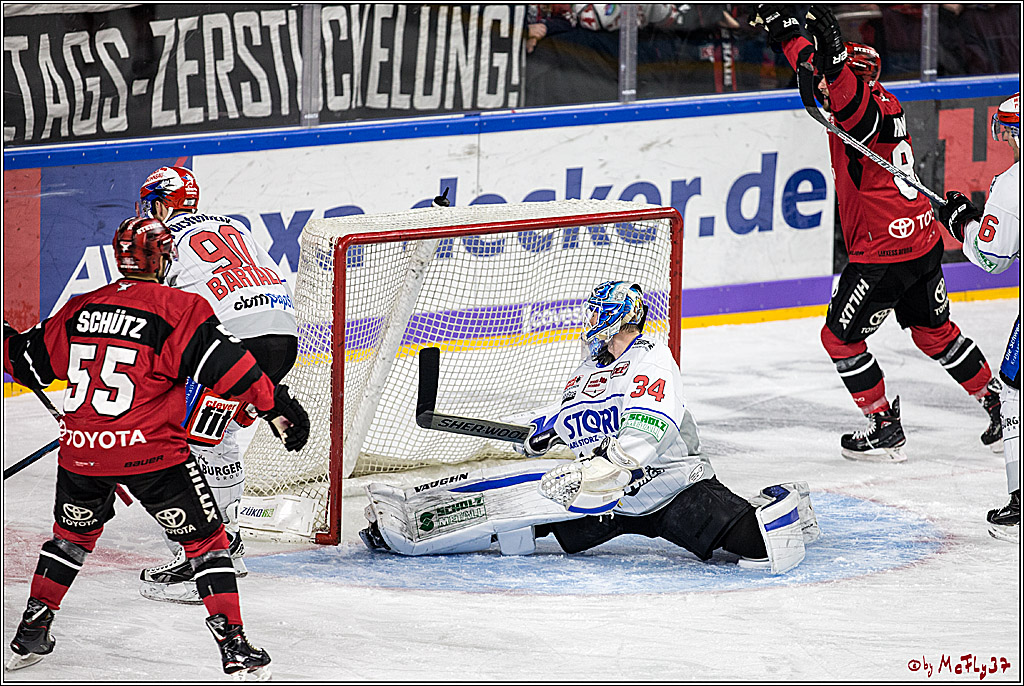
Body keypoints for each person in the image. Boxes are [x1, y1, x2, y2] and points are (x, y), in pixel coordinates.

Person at [2, 216, 309, 678]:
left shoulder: (81, 306)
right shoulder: (179, 308)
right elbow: (230, 370)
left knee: (70, 540)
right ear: (164, 257)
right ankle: (236, 648)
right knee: (208, 543)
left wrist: (7, 336)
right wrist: (277, 408)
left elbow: (28, 364)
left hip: (83, 452)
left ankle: (30, 632)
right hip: (154, 456)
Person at [359, 281, 819, 574]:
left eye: (601, 316)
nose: (593, 325)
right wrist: (548, 431)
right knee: (521, 529)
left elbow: (646, 430)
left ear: (622, 319)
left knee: (757, 549)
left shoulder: (651, 359)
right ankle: (412, 530)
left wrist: (601, 470)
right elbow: (577, 417)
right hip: (609, 498)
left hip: (673, 488)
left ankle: (785, 506)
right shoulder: (588, 368)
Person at [751, 4, 1003, 462]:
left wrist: (827, 58)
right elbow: (823, 75)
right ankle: (998, 403)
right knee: (936, 334)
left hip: (882, 255)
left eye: (835, 71)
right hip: (923, 242)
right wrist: (791, 37)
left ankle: (883, 423)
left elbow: (849, 104)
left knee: (839, 339)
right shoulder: (880, 97)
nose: (825, 81)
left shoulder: (861, 107)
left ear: (854, 73)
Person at [135, 166, 299, 604]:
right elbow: (270, 277)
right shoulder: (233, 224)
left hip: (229, 347)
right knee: (217, 440)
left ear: (160, 202)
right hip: (283, 337)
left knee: (185, 446)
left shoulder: (158, 237)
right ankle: (231, 544)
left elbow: (156, 310)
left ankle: (206, 561)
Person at [936, 93, 1020, 542]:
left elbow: (992, 258)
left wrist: (961, 221)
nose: (1006, 138)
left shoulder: (1012, 184)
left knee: (1012, 392)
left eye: (1009, 130)